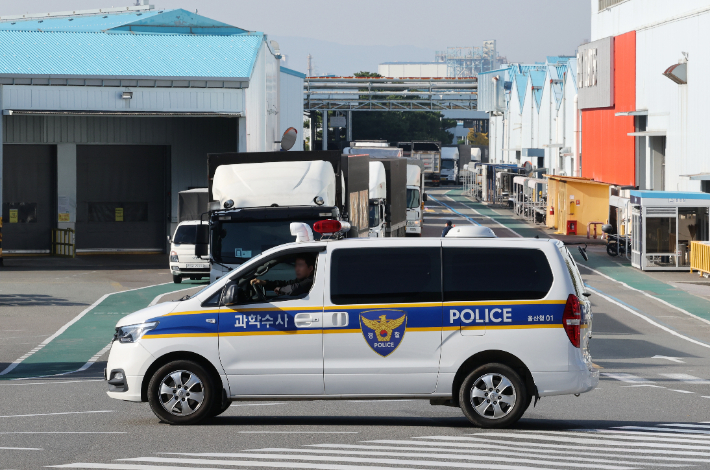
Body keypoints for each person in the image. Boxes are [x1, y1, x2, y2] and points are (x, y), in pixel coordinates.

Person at [250, 254, 315, 297]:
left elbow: (294, 289)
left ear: (310, 268)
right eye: (296, 265)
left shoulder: (313, 280)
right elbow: (286, 284)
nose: (296, 269)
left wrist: (280, 290)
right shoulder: (302, 279)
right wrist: (264, 283)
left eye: (300, 265)